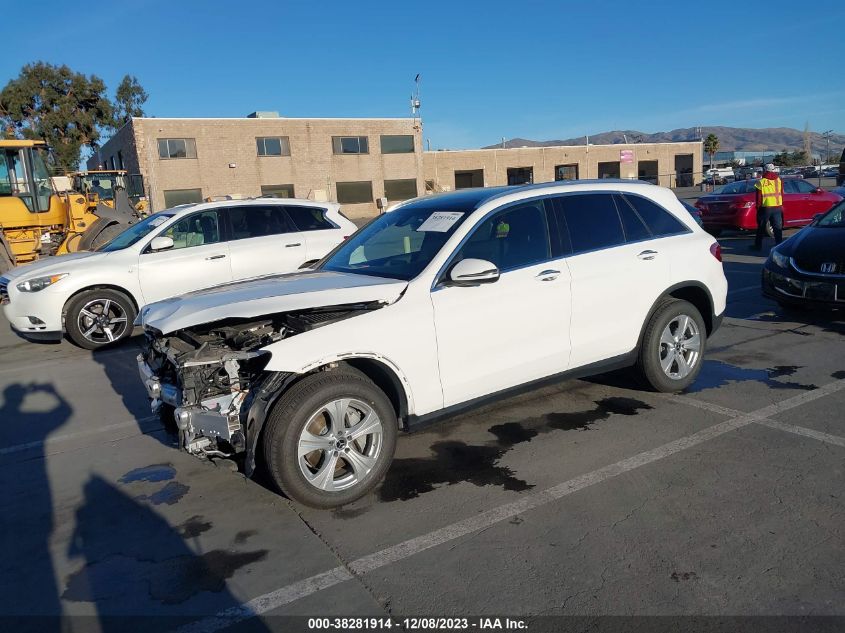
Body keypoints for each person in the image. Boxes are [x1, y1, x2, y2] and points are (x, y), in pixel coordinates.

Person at [751, 163, 783, 251]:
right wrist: (781, 205)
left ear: (765, 170)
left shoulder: (761, 182)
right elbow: (781, 194)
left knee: (761, 227)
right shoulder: (779, 180)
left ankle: (758, 246)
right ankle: (779, 246)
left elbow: (758, 198)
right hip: (777, 207)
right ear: (773, 170)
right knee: (777, 228)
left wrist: (758, 208)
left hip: (766, 208)